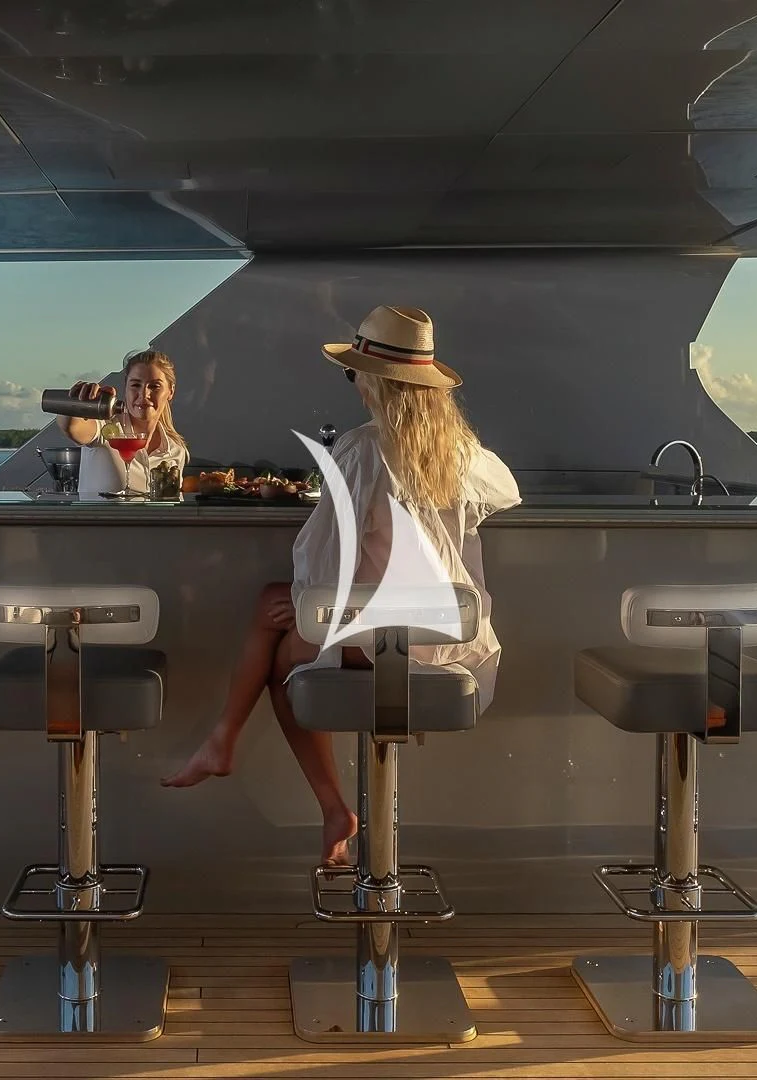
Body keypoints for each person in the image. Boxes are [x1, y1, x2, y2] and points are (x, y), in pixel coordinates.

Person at [162, 305, 521, 866]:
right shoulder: (463, 452)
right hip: (450, 633)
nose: (353, 385)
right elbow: (506, 491)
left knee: (285, 657)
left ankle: (309, 791)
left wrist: (310, 601)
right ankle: (226, 744)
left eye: (354, 373)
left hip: (382, 633)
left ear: (375, 382)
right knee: (273, 605)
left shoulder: (360, 451)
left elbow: (326, 565)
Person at [60, 349, 189, 498]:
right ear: (126, 388)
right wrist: (77, 400)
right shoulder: (108, 428)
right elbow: (70, 427)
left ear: (170, 391)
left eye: (154, 386)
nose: (144, 394)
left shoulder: (175, 450)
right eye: (135, 385)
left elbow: (172, 505)